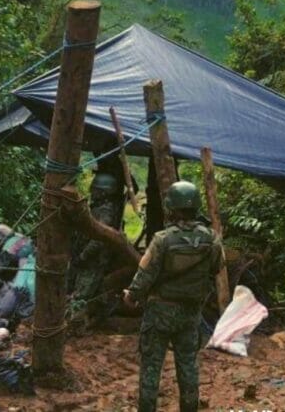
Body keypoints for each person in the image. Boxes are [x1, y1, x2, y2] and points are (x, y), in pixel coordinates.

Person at [123, 180, 222, 412]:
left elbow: (145, 274)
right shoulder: (212, 239)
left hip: (160, 312)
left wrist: (131, 296)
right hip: (190, 314)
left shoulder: (162, 239)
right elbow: (216, 268)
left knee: (151, 368)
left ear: (171, 208)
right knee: (188, 366)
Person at [69, 171, 123, 328]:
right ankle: (101, 321)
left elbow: (99, 239)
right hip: (92, 258)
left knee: (81, 295)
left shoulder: (105, 211)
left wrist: (84, 256)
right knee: (98, 293)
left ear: (104, 192)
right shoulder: (99, 208)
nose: (94, 193)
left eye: (97, 190)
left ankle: (76, 326)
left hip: (93, 260)